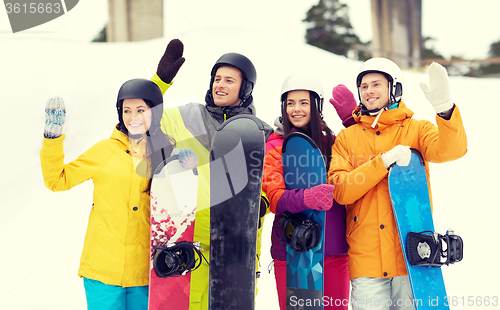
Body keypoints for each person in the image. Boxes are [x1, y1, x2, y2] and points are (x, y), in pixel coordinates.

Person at [328, 58, 467, 310]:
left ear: (395, 88)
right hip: (366, 259)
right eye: (364, 86)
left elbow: (451, 151)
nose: (368, 91)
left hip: (411, 256)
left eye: (376, 84)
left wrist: (445, 111)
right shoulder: (347, 138)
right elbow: (341, 190)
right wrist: (382, 162)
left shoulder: (416, 129)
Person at [151, 41, 274, 309]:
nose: (220, 84)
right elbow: (143, 120)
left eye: (230, 80)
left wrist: (260, 201)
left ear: (245, 88)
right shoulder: (187, 116)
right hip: (191, 246)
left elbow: (272, 182)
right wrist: (160, 82)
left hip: (236, 249)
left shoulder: (260, 134)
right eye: (217, 78)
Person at [40, 78, 179, 310]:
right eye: (126, 110)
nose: (133, 116)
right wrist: (52, 140)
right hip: (103, 271)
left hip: (147, 273)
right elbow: (57, 180)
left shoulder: (166, 155)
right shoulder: (105, 151)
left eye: (141, 110)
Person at [262, 74, 357, 309]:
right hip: (294, 250)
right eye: (290, 103)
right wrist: (306, 197)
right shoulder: (275, 145)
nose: (296, 109)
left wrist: (353, 123)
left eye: (304, 103)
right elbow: (275, 198)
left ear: (317, 107)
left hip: (334, 250)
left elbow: (363, 156)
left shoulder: (335, 142)